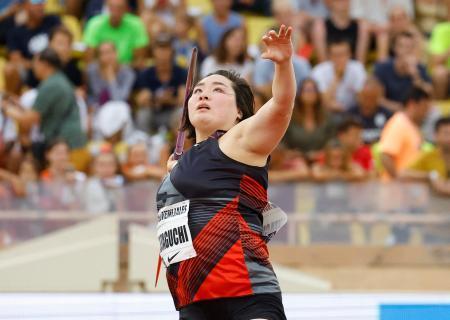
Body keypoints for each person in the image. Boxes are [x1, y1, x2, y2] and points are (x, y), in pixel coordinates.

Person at [157, 25, 295, 319]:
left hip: (245, 293)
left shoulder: (240, 140)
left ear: (239, 113)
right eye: (198, 91)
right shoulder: (183, 161)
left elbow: (281, 106)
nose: (203, 95)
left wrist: (283, 65)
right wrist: (174, 172)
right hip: (192, 300)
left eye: (217, 90)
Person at [1, 48, 88, 171]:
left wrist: (6, 108)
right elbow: (38, 113)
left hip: (67, 149)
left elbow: (28, 120)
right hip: (68, 143)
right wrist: (18, 105)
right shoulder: (58, 80)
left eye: (36, 63)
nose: (33, 67)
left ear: (45, 64)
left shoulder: (51, 85)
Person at [379, 86, 431, 179]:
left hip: (409, 186)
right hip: (397, 189)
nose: (426, 112)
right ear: (412, 104)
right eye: (424, 107)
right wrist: (397, 178)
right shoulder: (398, 123)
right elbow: (386, 156)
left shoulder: (412, 125)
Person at [82, 0, 149, 69]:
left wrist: (118, 68)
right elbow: (89, 60)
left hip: (129, 71)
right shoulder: (94, 24)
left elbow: (139, 61)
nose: (115, 12)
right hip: (100, 72)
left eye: (119, 8)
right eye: (112, 7)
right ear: (106, 7)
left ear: (126, 8)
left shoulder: (136, 24)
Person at [402, 116, 450, 196]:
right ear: (436, 135)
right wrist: (430, 175)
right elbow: (403, 174)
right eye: (446, 133)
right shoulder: (429, 156)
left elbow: (445, 189)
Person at [347, 77, 393, 144]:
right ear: (360, 96)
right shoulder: (350, 115)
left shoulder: (387, 115)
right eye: (365, 98)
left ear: (378, 98)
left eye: (372, 98)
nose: (368, 102)